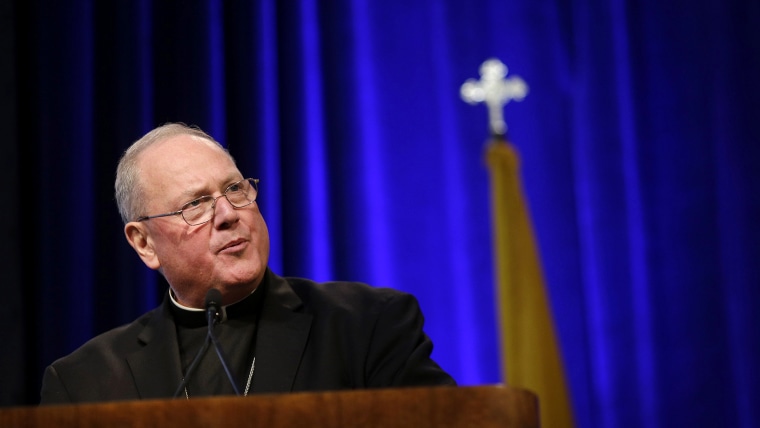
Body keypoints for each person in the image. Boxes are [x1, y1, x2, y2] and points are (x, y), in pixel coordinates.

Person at [39, 123, 455, 404]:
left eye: (235, 188)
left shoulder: (367, 325)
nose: (228, 214)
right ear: (144, 243)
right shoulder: (84, 383)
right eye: (197, 204)